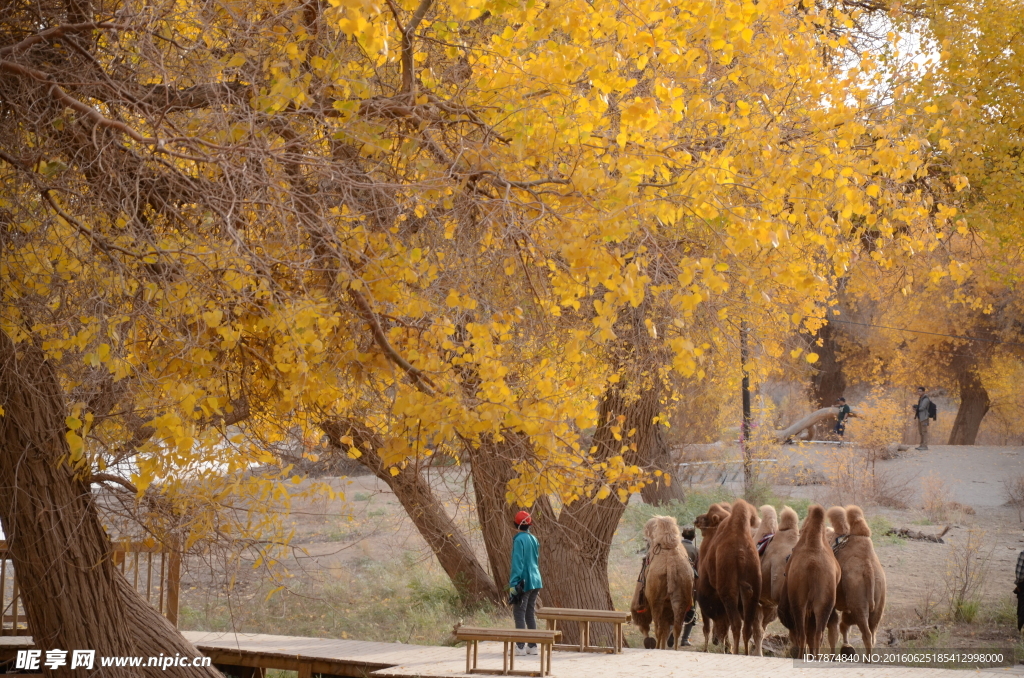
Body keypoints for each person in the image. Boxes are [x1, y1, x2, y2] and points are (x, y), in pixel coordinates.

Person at [509, 510, 543, 656]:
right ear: (530, 525)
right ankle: (532, 646)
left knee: (519, 612)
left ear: (516, 524)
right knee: (530, 612)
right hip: (536, 580)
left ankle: (521, 647)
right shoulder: (534, 539)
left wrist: (514, 583)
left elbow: (517, 563)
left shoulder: (519, 540)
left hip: (523, 581)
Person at [679, 526, 699, 647]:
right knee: (691, 609)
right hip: (689, 584)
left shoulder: (676, 547)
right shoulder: (695, 550)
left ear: (682, 535)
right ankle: (685, 639)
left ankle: (671, 635)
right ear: (694, 537)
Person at [1015, 545, 1024, 634]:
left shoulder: (1023, 554)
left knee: (1022, 609)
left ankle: (1020, 631)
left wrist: (1018, 584)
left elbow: (1020, 575)